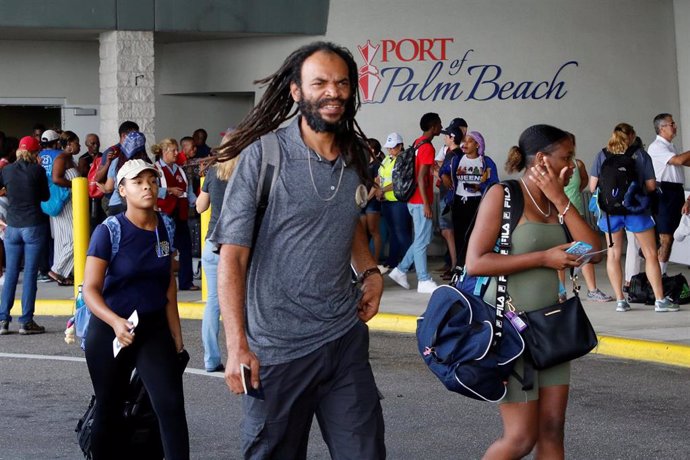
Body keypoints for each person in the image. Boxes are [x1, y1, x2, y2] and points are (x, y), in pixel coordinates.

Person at [210, 41, 386, 459]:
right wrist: (236, 346)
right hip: (276, 350)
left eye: (342, 82)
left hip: (343, 338)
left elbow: (348, 222)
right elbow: (231, 256)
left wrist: (370, 272)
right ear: (295, 91)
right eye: (320, 82)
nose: (334, 92)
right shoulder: (264, 156)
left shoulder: (357, 156)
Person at [466, 124, 602, 459]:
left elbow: (593, 251)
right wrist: (544, 257)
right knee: (521, 438)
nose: (571, 164)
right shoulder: (504, 195)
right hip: (512, 331)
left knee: (553, 429)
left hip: (553, 330)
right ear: (541, 159)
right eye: (566, 157)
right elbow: (475, 262)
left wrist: (560, 198)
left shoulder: (557, 203)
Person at [82, 159, 189, 459]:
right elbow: (90, 290)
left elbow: (168, 284)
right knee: (109, 407)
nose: (147, 186)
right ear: (122, 190)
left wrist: (176, 335)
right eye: (138, 181)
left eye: (152, 180)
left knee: (170, 405)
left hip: (152, 328)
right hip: (110, 332)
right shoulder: (109, 231)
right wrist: (115, 322)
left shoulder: (164, 227)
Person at [591, 123, 677, 312]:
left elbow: (592, 187)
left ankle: (621, 301)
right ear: (632, 136)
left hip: (610, 213)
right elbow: (652, 185)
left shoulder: (602, 155)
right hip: (636, 211)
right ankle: (660, 300)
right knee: (650, 254)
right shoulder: (640, 155)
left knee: (613, 255)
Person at [195, 132, 237, 372]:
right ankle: (239, 356)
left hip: (211, 243)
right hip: (234, 246)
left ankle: (211, 359)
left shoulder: (213, 171)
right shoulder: (246, 172)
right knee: (240, 303)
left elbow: (200, 207)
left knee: (213, 303)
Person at [388, 112, 443, 294]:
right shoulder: (427, 147)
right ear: (433, 126)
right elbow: (420, 177)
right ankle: (423, 279)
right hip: (420, 201)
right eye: (439, 124)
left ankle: (400, 270)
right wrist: (427, 204)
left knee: (422, 238)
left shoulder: (418, 142)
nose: (441, 127)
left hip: (414, 200)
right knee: (421, 241)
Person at [0, 136, 49, 335]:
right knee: (29, 274)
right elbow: (45, 196)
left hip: (12, 227)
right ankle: (26, 322)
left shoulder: (6, 170)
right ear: (35, 153)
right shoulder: (38, 170)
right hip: (33, 226)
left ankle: (3, 320)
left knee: (11, 273)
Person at [559, 133, 613, 302]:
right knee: (560, 252)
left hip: (577, 212)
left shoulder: (578, 164)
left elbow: (584, 182)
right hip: (559, 215)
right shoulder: (554, 165)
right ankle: (560, 291)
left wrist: (573, 194)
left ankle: (592, 289)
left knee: (585, 250)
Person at [440, 129, 499, 272]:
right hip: (460, 201)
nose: (464, 143)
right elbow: (443, 171)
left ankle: (473, 265)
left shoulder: (485, 161)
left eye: (469, 141)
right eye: (463, 141)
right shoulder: (457, 159)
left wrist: (480, 186)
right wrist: (446, 179)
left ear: (477, 145)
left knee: (475, 234)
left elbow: (494, 182)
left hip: (477, 202)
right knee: (459, 233)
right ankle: (460, 267)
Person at [153, 138, 199, 291]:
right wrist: (169, 190)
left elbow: (189, 191)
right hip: (164, 215)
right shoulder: (156, 169)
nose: (176, 153)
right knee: (165, 249)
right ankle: (162, 282)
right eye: (173, 150)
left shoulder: (180, 170)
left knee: (186, 248)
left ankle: (186, 282)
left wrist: (198, 203)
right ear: (165, 152)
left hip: (181, 214)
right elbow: (152, 190)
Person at [647, 113, 690, 276]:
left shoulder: (671, 146)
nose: (675, 126)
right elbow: (678, 161)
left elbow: (684, 161)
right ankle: (659, 275)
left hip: (675, 191)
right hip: (663, 192)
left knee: (672, 234)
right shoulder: (656, 146)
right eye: (672, 124)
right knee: (665, 237)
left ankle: (660, 272)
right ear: (661, 128)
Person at [47, 131, 81, 286]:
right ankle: (57, 270)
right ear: (68, 144)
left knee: (62, 240)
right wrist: (75, 185)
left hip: (71, 203)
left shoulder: (69, 159)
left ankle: (65, 272)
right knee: (75, 238)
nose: (79, 146)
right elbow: (56, 178)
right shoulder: (62, 158)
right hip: (65, 204)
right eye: (77, 142)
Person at [377, 132, 412, 269]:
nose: (390, 150)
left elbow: (399, 180)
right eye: (389, 148)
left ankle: (409, 262)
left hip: (398, 201)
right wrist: (378, 189)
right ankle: (392, 260)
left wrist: (383, 190)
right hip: (386, 201)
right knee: (393, 232)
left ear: (401, 146)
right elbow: (379, 176)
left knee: (401, 231)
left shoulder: (403, 160)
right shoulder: (386, 159)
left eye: (393, 147)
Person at [361, 137, 385, 271]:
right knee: (363, 233)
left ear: (373, 149)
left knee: (374, 231)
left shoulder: (377, 164)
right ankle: (366, 261)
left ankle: (375, 261)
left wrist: (367, 199)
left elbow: (376, 184)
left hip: (371, 202)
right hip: (362, 202)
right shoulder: (363, 163)